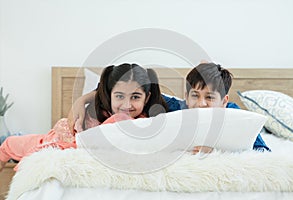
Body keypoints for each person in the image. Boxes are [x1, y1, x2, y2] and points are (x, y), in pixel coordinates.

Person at [68, 63, 270, 153]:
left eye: (209, 97)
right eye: (194, 95)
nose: (200, 103)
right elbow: (134, 92)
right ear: (185, 96)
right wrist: (83, 100)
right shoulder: (176, 107)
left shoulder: (235, 115)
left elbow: (262, 152)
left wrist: (219, 152)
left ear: (224, 101)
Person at [0, 63, 168, 172]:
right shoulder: (97, 111)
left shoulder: (149, 122)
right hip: (57, 137)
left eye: (135, 97)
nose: (126, 104)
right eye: (119, 96)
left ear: (147, 98)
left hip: (73, 144)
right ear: (109, 95)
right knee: (8, 145)